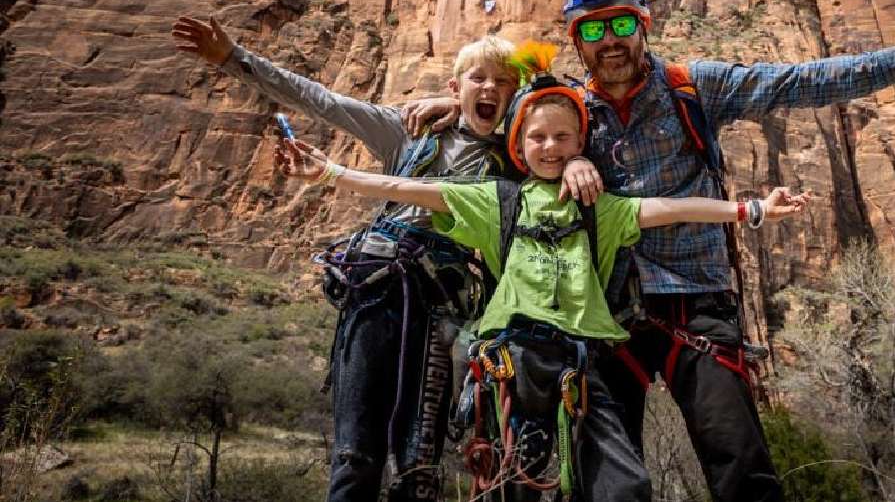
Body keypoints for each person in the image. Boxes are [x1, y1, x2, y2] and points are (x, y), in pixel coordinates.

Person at [402, 0, 895, 502]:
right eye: (593, 30)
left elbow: (796, 82)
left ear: (643, 24)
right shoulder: (573, 111)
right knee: (605, 482)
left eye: (622, 23)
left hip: (698, 305)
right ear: (578, 41)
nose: (610, 40)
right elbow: (514, 130)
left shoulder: (693, 88)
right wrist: (455, 104)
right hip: (607, 320)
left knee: (740, 461)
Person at [274, 41, 812, 502]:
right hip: (515, 360)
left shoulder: (601, 205)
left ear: (583, 144)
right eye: (537, 139)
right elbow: (409, 189)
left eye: (563, 139)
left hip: (585, 360)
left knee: (624, 486)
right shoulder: (496, 201)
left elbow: (672, 207)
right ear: (518, 145)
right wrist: (333, 174)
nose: (550, 147)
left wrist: (752, 209)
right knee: (515, 481)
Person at [171, 16, 544, 501]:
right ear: (456, 85)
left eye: (504, 81)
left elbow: (567, 108)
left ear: (516, 94)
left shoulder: (522, 155)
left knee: (418, 462)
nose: (490, 88)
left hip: (440, 311)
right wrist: (233, 58)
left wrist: (459, 104)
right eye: (478, 79)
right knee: (355, 454)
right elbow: (323, 101)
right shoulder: (407, 131)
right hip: (374, 292)